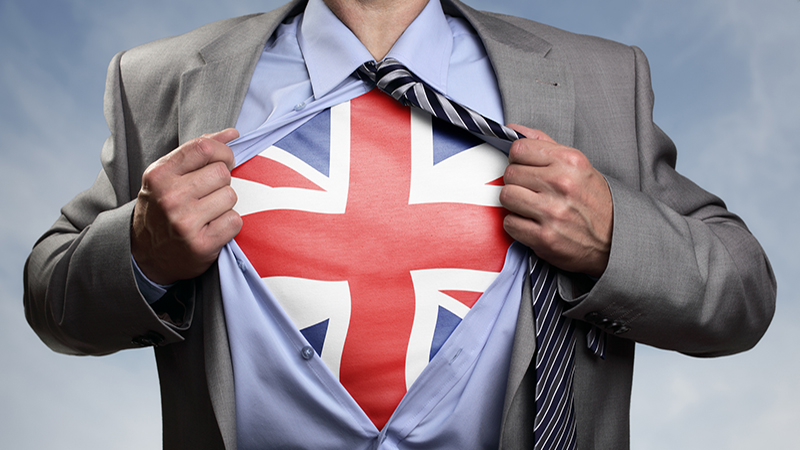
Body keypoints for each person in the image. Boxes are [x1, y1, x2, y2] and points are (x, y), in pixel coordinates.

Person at [23, 0, 776, 448]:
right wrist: (141, 249)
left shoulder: (595, 76)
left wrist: (615, 235)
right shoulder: (159, 79)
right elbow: (53, 296)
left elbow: (742, 293)